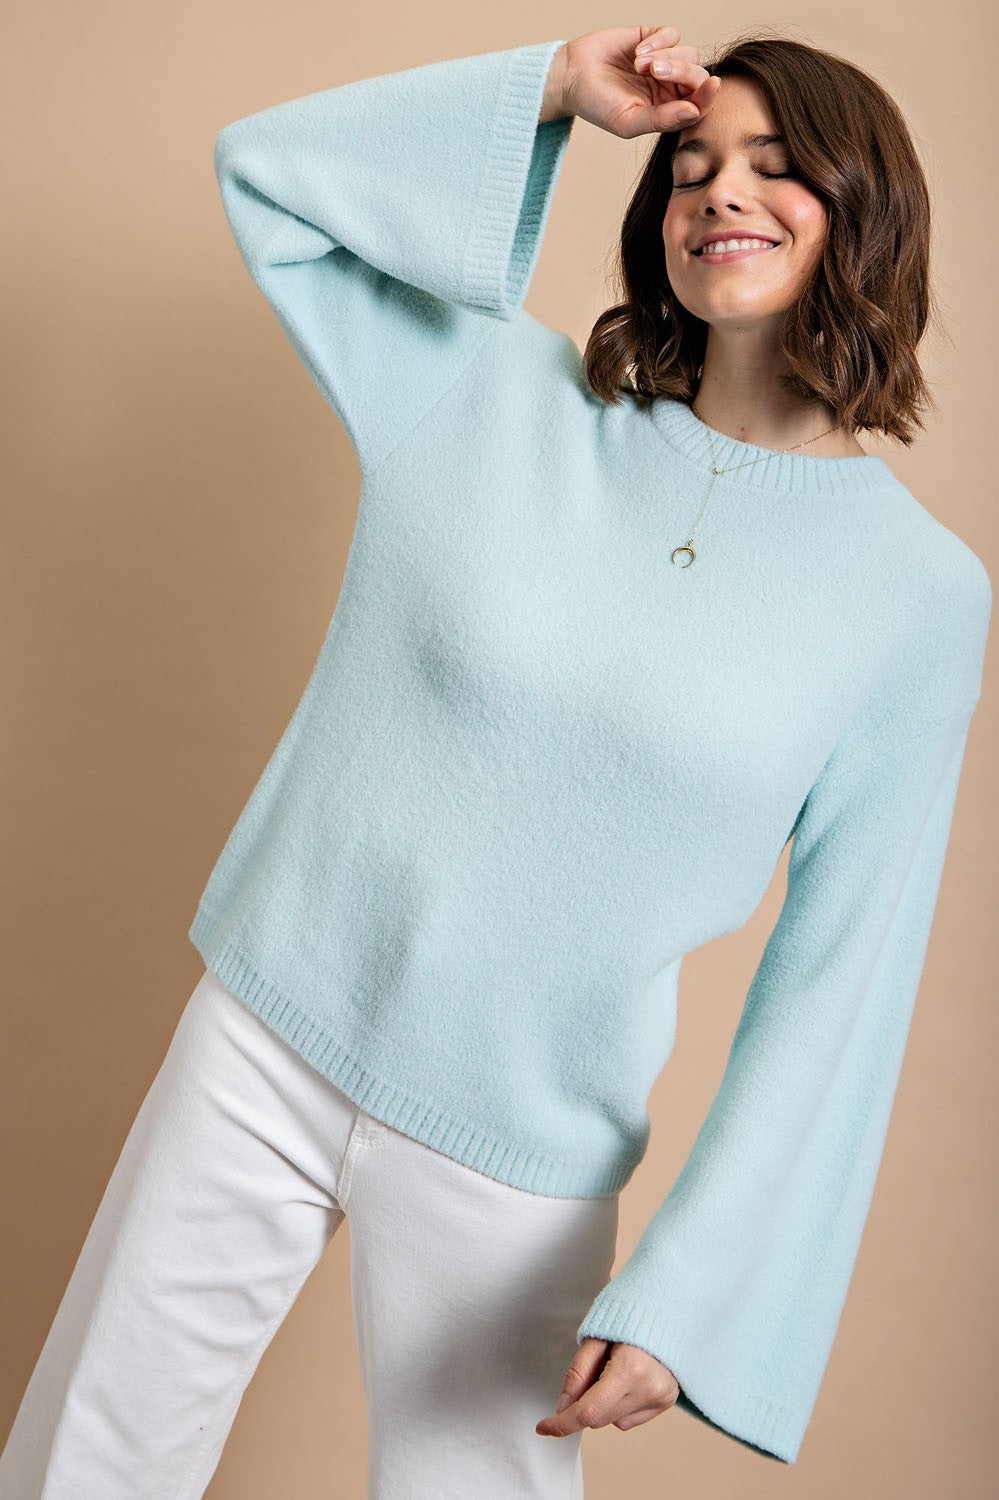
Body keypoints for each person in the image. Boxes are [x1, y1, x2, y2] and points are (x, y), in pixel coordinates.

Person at [0, 19, 991, 1499]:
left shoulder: (918, 599)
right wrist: (554, 90)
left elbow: (843, 980)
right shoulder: (494, 397)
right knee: (89, 1458)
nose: (721, 191)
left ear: (870, 211)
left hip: (522, 1148)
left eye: (778, 166)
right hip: (268, 1033)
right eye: (691, 169)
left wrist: (695, 1296)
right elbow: (269, 181)